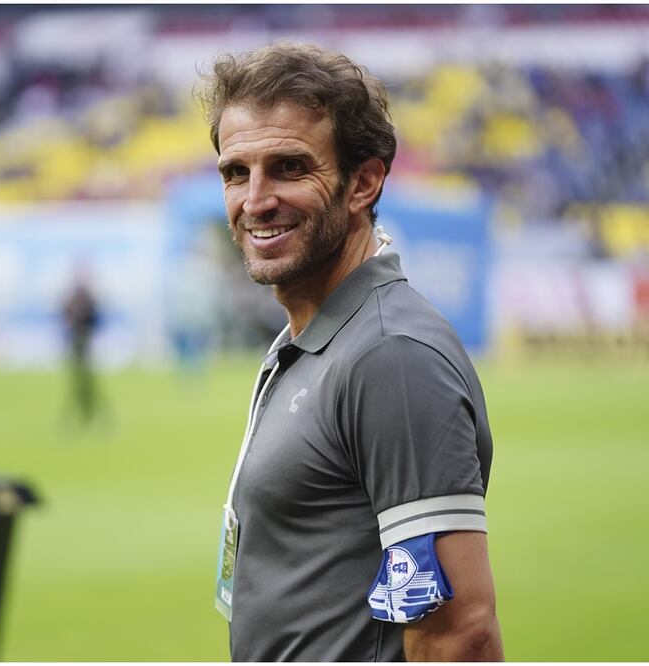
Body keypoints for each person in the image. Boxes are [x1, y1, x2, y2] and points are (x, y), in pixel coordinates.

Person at [196, 43, 503, 661]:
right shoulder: (316, 337)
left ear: (363, 182)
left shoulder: (390, 355)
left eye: (288, 167)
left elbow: (459, 633)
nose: (254, 200)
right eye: (236, 172)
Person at [61, 268, 101, 425]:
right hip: (76, 340)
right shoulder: (73, 297)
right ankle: (83, 413)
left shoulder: (87, 297)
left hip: (84, 340)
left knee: (86, 381)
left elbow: (95, 318)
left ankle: (91, 413)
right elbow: (64, 315)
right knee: (79, 381)